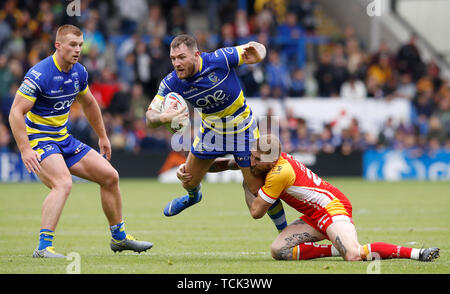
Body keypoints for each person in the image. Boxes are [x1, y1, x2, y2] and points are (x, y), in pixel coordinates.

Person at [8, 24, 153, 258]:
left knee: (110, 177)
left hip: (63, 139)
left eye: (80, 45)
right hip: (39, 140)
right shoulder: (39, 74)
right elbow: (16, 112)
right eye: (72, 45)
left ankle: (119, 239)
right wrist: (25, 149)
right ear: (58, 45)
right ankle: (43, 248)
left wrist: (103, 136)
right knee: (63, 183)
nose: (78, 50)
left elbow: (89, 103)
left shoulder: (79, 72)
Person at [176, 134, 440, 262]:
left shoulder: (280, 173)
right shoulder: (265, 161)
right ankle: (332, 248)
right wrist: (191, 170)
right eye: (251, 157)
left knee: (354, 255)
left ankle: (417, 253)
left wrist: (246, 180)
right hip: (314, 215)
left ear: (269, 161)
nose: (251, 162)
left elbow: (256, 212)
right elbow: (228, 164)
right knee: (279, 251)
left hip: (333, 207)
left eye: (256, 159)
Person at [145, 34, 287, 232]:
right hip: (211, 133)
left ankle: (285, 232)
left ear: (196, 55)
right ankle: (194, 197)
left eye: (181, 57)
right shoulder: (171, 82)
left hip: (242, 130)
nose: (176, 64)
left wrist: (259, 54)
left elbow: (255, 48)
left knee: (257, 191)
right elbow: (149, 117)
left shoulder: (219, 59)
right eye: (173, 59)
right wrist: (162, 118)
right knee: (188, 179)